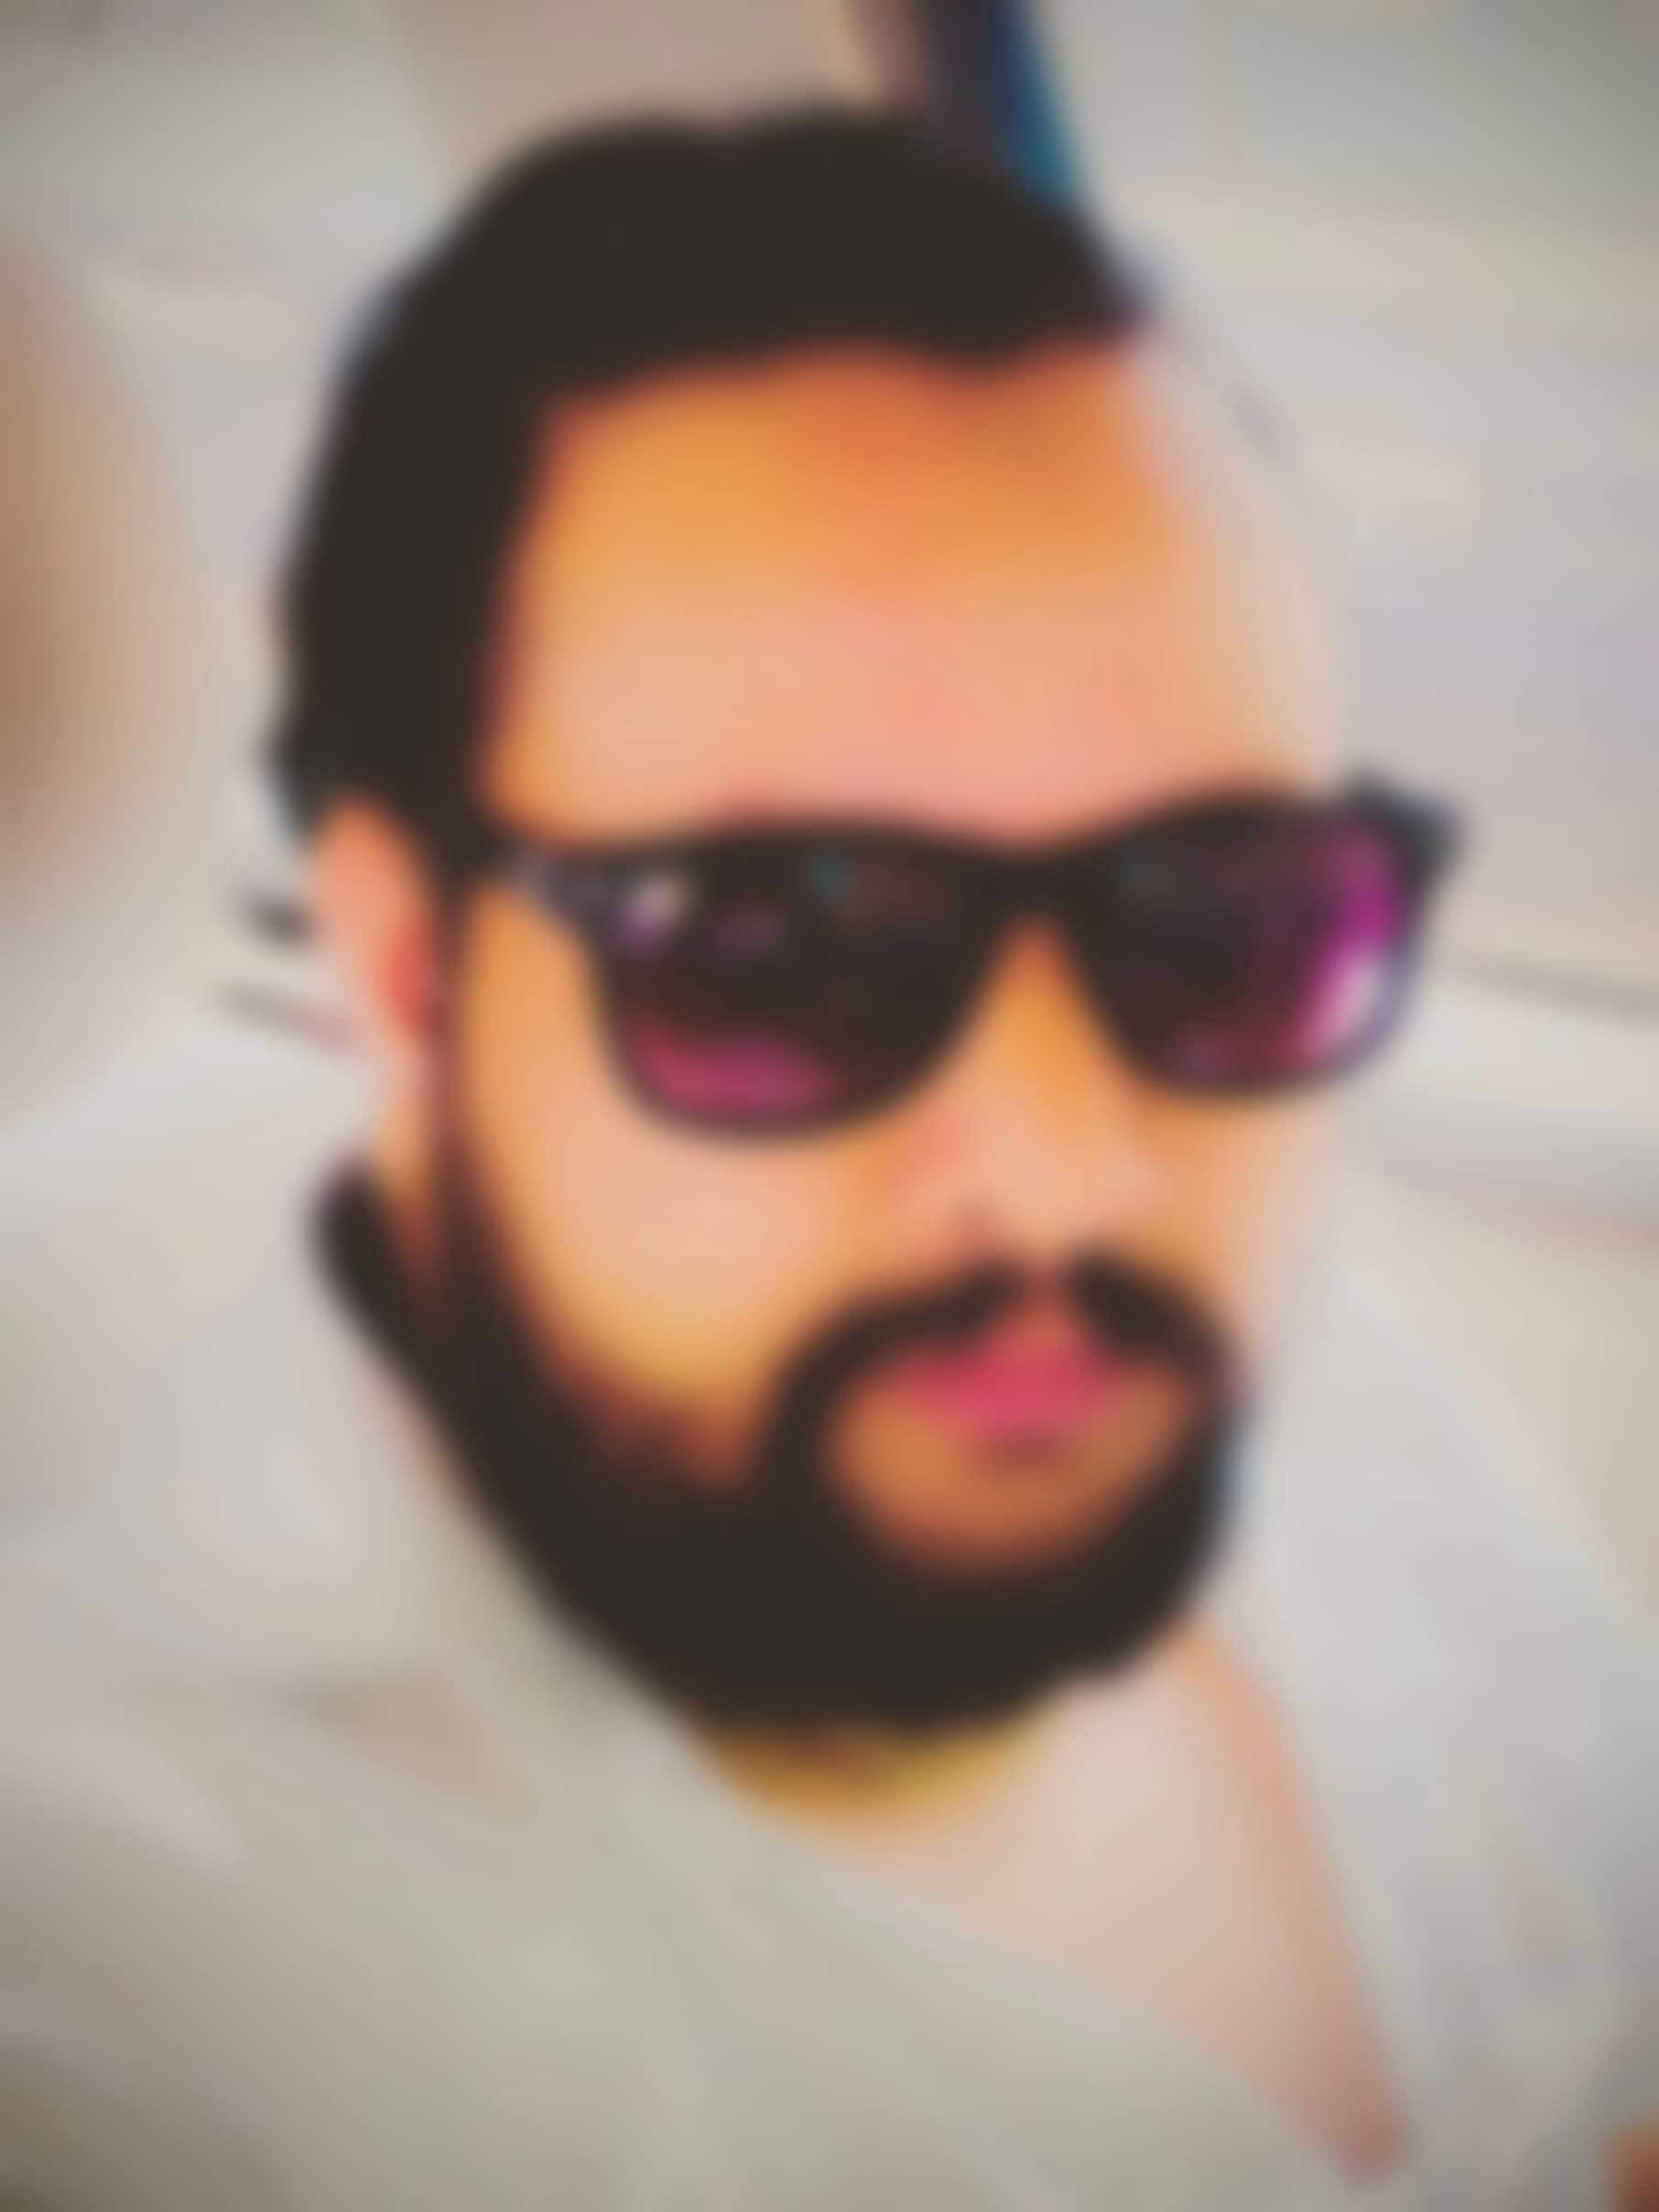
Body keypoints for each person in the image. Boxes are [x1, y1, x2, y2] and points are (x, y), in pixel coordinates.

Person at [3, 113, 1654, 2210]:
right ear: (412, 976)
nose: (1071, 1167)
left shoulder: (1362, 1397)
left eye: (1219, 924)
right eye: (784, 955)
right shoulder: (142, 1980)